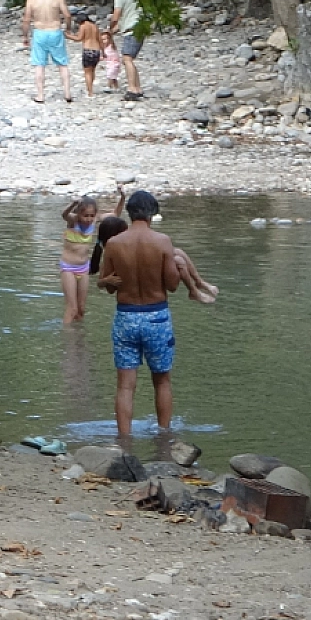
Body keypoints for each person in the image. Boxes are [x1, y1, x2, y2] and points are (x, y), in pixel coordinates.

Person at [96, 190, 214, 443]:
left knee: (125, 385)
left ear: (129, 212)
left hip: (126, 317)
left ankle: (124, 440)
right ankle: (164, 438)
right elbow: (172, 285)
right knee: (161, 381)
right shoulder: (162, 242)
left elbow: (108, 286)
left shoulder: (114, 244)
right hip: (156, 316)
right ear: (152, 213)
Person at [59, 188, 124, 323]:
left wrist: (123, 197)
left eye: (91, 215)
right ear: (78, 213)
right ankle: (68, 341)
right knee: (72, 309)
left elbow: (116, 214)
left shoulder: (94, 221)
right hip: (68, 268)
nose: (88, 219)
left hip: (84, 269)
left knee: (81, 309)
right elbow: (64, 214)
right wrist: (73, 204)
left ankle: (79, 339)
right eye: (85, 215)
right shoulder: (73, 221)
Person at [21, 0, 72, 103]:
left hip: (39, 32)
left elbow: (26, 19)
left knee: (39, 65)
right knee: (62, 63)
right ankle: (67, 93)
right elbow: (67, 15)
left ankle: (40, 95)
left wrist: (25, 36)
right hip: (55, 31)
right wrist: (68, 28)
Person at [106, 0, 144, 100]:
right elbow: (122, 22)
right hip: (135, 29)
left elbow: (116, 17)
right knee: (129, 59)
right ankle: (137, 88)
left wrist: (110, 27)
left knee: (127, 59)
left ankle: (132, 89)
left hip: (132, 31)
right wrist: (110, 33)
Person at [67, 14, 104, 96]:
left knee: (87, 72)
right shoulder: (95, 26)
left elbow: (79, 38)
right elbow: (100, 40)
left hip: (88, 50)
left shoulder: (83, 26)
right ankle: (91, 87)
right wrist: (103, 52)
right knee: (93, 70)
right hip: (96, 50)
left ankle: (90, 92)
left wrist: (68, 36)